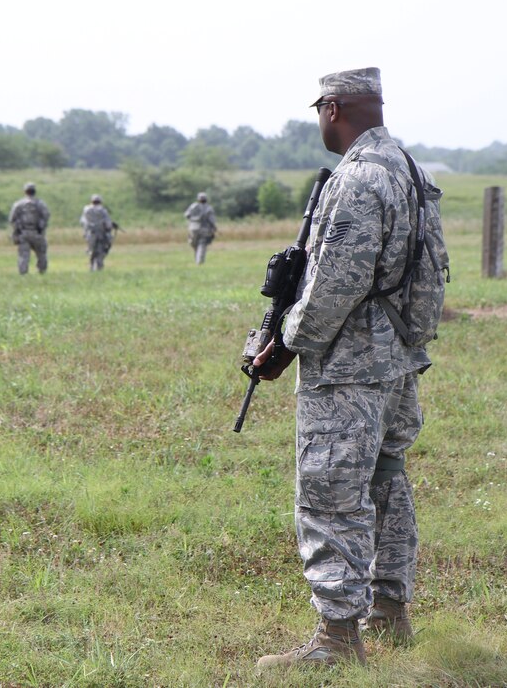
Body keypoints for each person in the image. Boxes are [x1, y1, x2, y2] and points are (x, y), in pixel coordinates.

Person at [253, 67, 435, 668]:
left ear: (333, 109)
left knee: (332, 492)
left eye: (318, 113)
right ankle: (389, 610)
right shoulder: (407, 168)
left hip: (349, 364)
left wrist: (286, 342)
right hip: (395, 360)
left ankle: (336, 640)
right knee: (385, 482)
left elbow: (338, 280)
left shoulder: (358, 178)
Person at [9, 182, 50, 275]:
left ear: (25, 192)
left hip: (23, 233)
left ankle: (23, 273)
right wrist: (41, 228)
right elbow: (46, 215)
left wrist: (17, 231)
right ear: (34, 191)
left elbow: (12, 219)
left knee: (24, 255)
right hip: (37, 233)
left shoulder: (18, 204)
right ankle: (42, 271)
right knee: (41, 254)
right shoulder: (40, 203)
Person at [79, 194, 114, 271]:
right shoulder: (103, 211)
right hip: (101, 234)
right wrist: (110, 226)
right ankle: (99, 266)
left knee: (91, 250)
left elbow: (82, 222)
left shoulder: (86, 210)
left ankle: (92, 266)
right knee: (102, 250)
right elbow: (108, 224)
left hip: (90, 234)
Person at [184, 192, 216, 265]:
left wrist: (193, 220)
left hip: (193, 228)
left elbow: (186, 215)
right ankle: (199, 262)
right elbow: (211, 220)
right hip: (204, 229)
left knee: (194, 244)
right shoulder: (208, 208)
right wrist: (214, 227)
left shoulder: (193, 206)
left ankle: (197, 260)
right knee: (202, 244)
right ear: (206, 199)